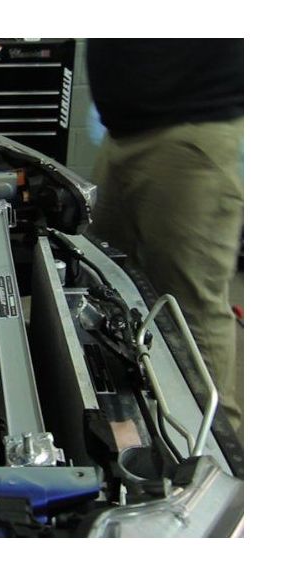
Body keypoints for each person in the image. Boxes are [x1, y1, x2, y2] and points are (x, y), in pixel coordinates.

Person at [86, 38, 244, 433]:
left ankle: (216, 449)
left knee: (189, 309)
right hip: (121, 131)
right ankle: (123, 424)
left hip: (186, 131)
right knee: (101, 281)